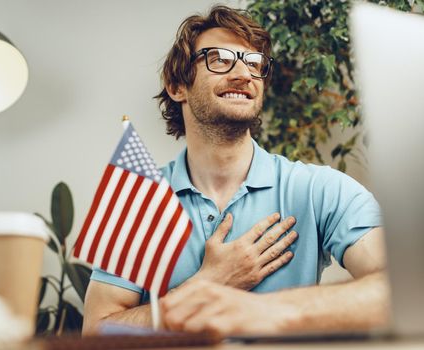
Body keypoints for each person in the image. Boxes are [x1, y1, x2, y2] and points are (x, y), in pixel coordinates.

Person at [82, 5, 388, 336]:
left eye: (254, 63)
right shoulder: (139, 201)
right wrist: (205, 284)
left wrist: (259, 310)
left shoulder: (322, 190)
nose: (243, 74)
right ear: (176, 86)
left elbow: (404, 286)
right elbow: (97, 329)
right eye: (219, 59)